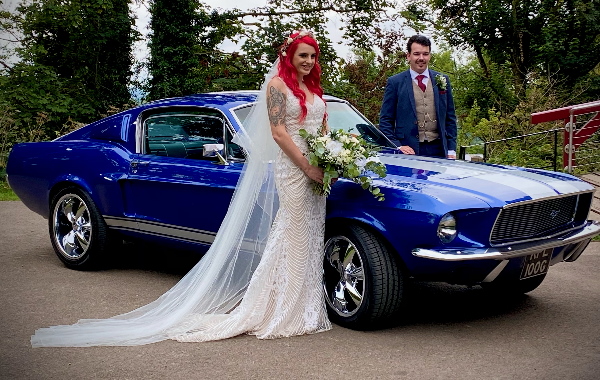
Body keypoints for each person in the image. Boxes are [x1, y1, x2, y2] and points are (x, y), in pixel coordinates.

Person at [30, 30, 332, 347]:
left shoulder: (312, 88)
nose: (309, 61)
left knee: (308, 236)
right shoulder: (276, 87)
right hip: (295, 170)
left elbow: (322, 128)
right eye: (303, 55)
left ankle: (303, 307)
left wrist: (332, 158)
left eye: (313, 56)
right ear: (288, 56)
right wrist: (309, 166)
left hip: (317, 171)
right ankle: (283, 308)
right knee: (293, 233)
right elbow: (279, 134)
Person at [379, 34, 458, 159]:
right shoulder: (395, 82)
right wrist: (397, 145)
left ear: (430, 56)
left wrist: (451, 149)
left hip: (438, 149)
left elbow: (450, 118)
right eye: (416, 54)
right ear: (408, 56)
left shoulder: (443, 80)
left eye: (425, 54)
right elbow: (385, 120)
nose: (421, 58)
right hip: (408, 150)